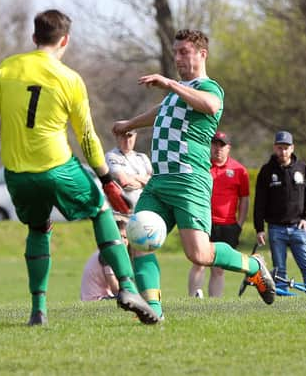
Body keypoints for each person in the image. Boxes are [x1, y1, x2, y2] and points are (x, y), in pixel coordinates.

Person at [0, 9, 159, 326]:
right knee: (101, 211)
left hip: (18, 175)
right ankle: (128, 287)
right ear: (65, 40)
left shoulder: (7, 69)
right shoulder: (70, 79)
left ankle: (39, 310)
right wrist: (106, 180)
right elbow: (87, 136)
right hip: (57, 166)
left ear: (34, 38)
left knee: (38, 227)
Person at [112, 29, 276, 319]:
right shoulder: (178, 94)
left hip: (189, 181)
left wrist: (170, 83)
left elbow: (210, 106)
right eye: (175, 52)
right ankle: (153, 311)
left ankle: (253, 267)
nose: (178, 58)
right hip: (159, 180)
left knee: (199, 255)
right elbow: (160, 111)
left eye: (184, 52)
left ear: (202, 54)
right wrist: (129, 123)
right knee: (139, 241)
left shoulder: (210, 88)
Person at [79, 130, 152, 301]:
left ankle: (144, 295)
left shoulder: (142, 157)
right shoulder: (111, 156)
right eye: (123, 136)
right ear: (117, 137)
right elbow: (123, 180)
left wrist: (135, 179)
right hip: (119, 214)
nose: (127, 139)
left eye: (130, 135)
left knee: (139, 255)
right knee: (120, 251)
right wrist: (142, 179)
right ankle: (126, 291)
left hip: (139, 214)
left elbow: (152, 180)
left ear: (135, 137)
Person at [254, 131, 306, 292]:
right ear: (274, 148)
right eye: (279, 147)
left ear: (292, 148)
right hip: (276, 229)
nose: (282, 151)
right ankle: (283, 299)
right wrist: (260, 229)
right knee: (279, 270)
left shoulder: (302, 169)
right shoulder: (267, 171)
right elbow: (259, 202)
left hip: (299, 228)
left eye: (286, 148)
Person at [188, 131, 250, 298]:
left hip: (227, 225)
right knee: (198, 261)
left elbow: (244, 198)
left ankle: (215, 301)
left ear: (228, 148)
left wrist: (240, 223)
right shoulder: (202, 166)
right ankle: (194, 298)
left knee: (219, 268)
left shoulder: (239, 170)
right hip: (203, 222)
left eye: (221, 145)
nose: (217, 148)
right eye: (215, 144)